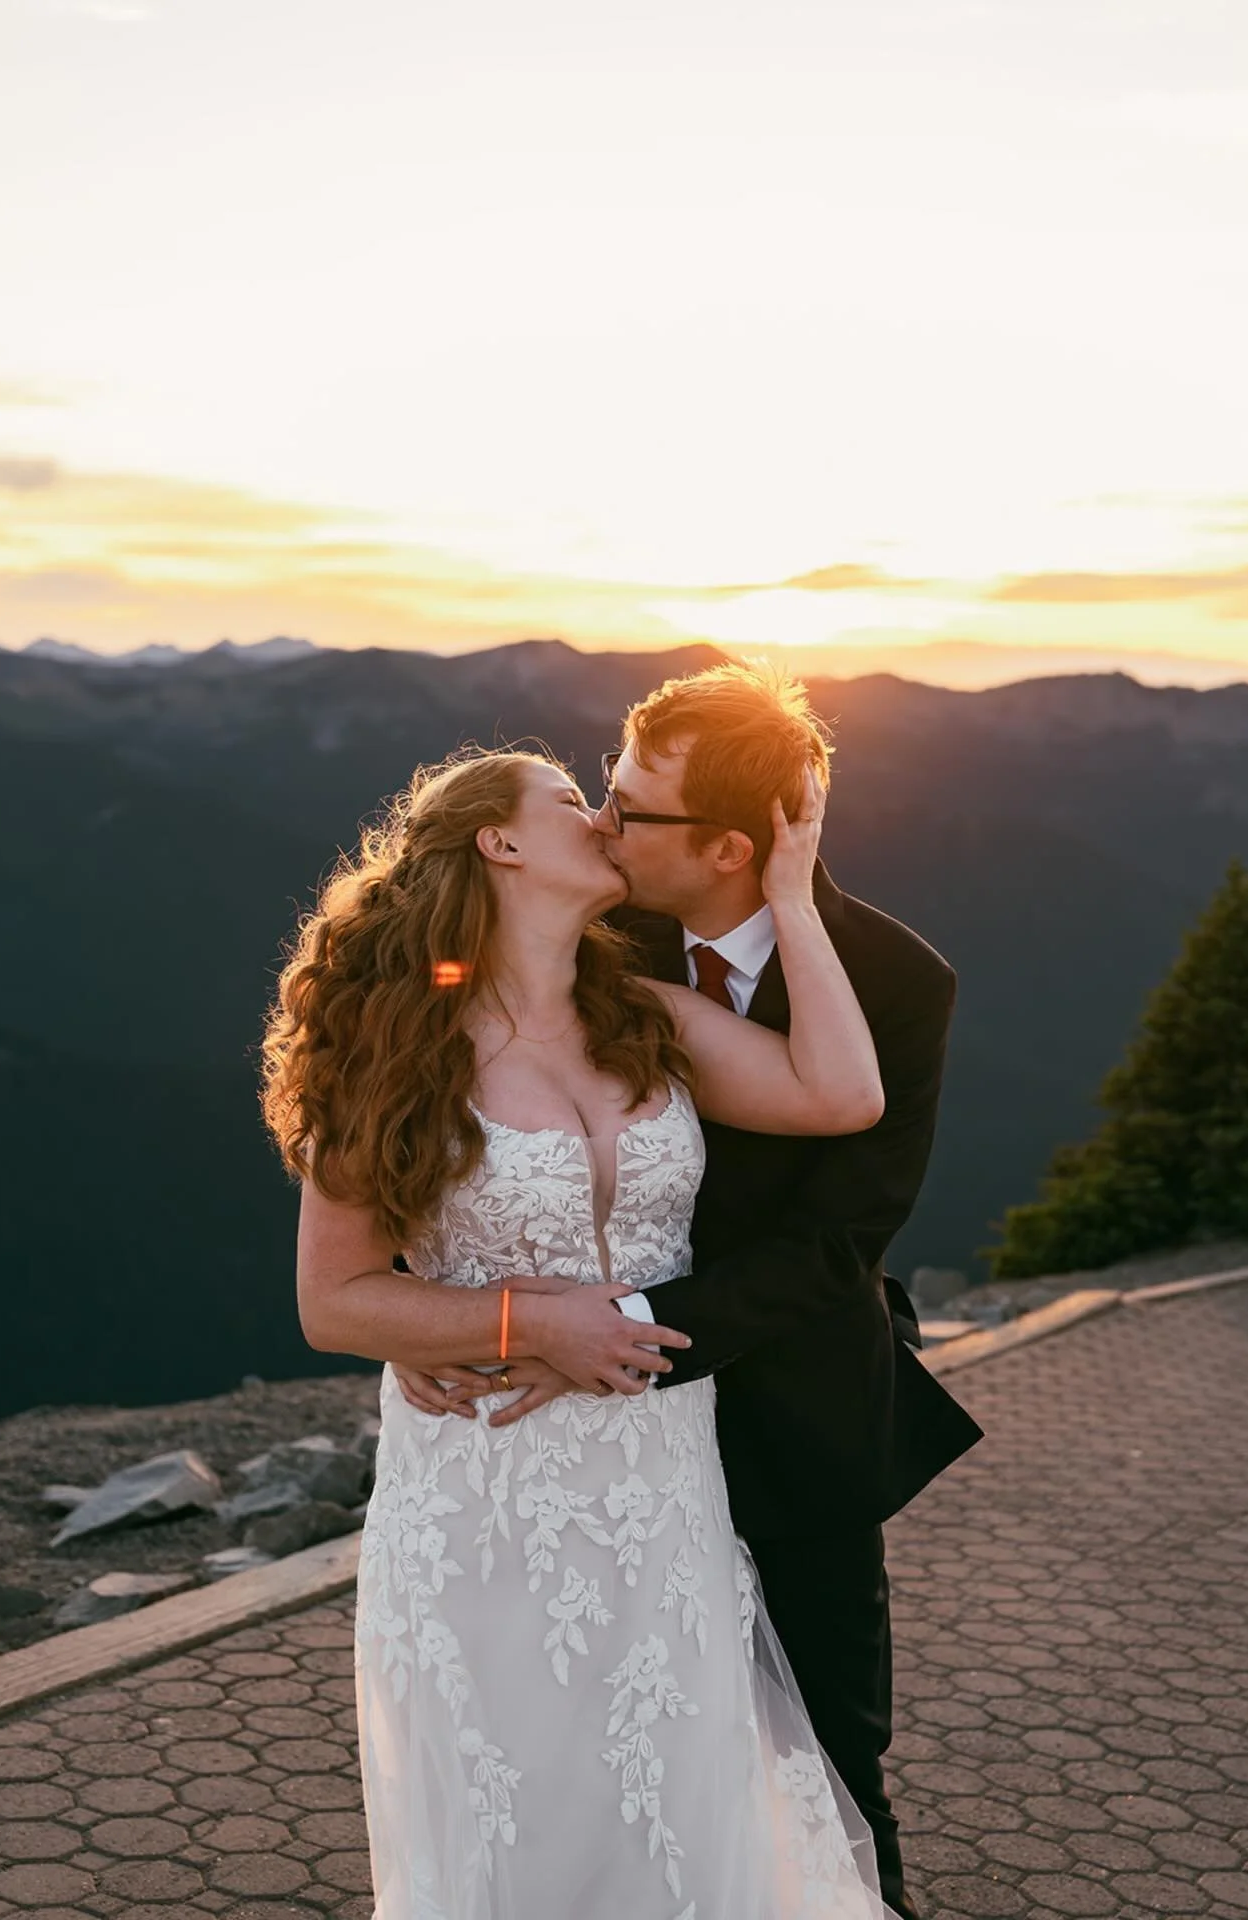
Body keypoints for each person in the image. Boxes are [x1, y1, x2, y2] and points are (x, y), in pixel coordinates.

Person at [262, 741, 901, 1919]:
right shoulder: (392, 1047)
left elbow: (842, 1096)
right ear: (497, 842)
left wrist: (792, 896)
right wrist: (513, 1320)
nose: (605, 816)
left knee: (678, 1800)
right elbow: (333, 1300)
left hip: (663, 1483)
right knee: (528, 1814)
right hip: (485, 1484)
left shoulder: (644, 1010)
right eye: (571, 801)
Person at [394, 666, 984, 1920]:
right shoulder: (595, 932)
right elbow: (456, 1073)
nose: (602, 825)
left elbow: (841, 1240)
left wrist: (600, 1343)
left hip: (790, 1412)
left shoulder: (897, 980)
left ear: (727, 845)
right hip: (581, 1447)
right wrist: (435, 1305)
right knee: (582, 1754)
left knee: (828, 1758)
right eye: (598, 794)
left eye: (628, 806)